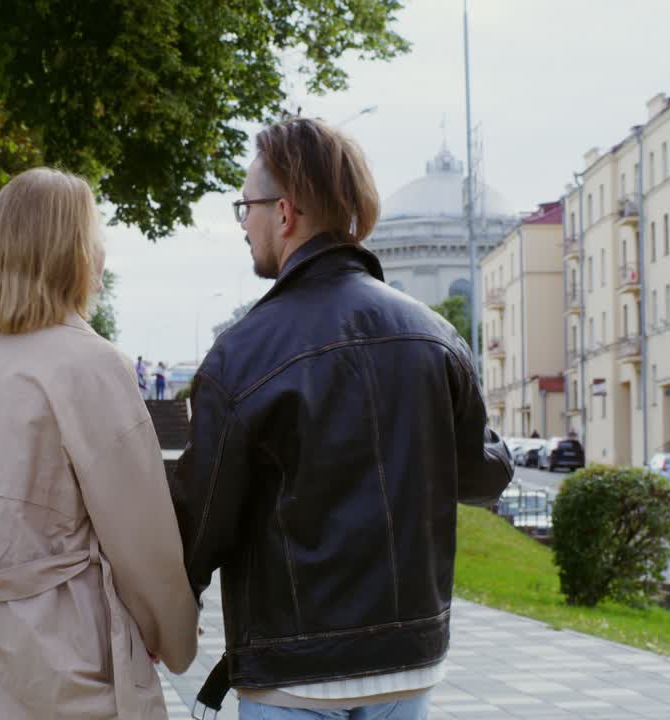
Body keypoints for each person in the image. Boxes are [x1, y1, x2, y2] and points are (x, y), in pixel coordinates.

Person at [172, 118, 513, 720]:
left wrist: (165, 612)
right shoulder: (436, 338)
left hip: (293, 673)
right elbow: (484, 475)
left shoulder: (242, 354)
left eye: (245, 207)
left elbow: (202, 524)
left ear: (284, 213)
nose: (244, 225)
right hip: (409, 663)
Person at [0, 167, 198, 719]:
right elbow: (143, 541)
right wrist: (172, 634)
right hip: (57, 662)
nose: (102, 252)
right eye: (96, 236)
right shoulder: (90, 367)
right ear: (72, 251)